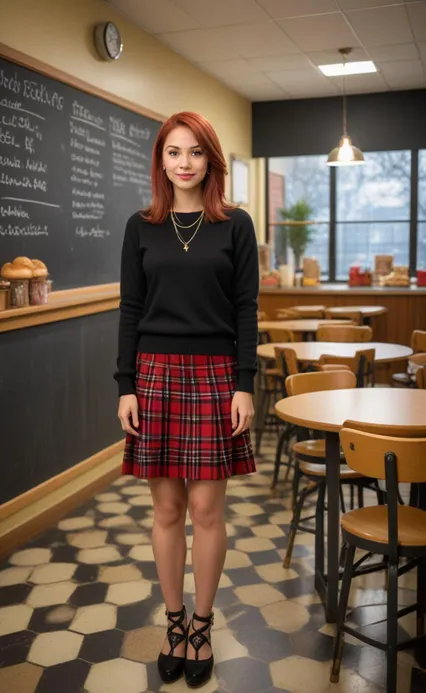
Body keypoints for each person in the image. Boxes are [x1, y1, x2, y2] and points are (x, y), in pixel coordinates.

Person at [114, 111, 259, 688]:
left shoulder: (235, 226)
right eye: (174, 152)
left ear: (211, 160)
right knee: (168, 510)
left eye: (195, 152)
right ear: (161, 160)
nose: (184, 163)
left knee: (206, 512)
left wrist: (244, 382)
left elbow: (247, 307)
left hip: (216, 376)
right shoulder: (141, 226)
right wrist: (125, 383)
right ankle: (173, 623)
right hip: (154, 376)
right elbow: (130, 309)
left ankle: (201, 625)